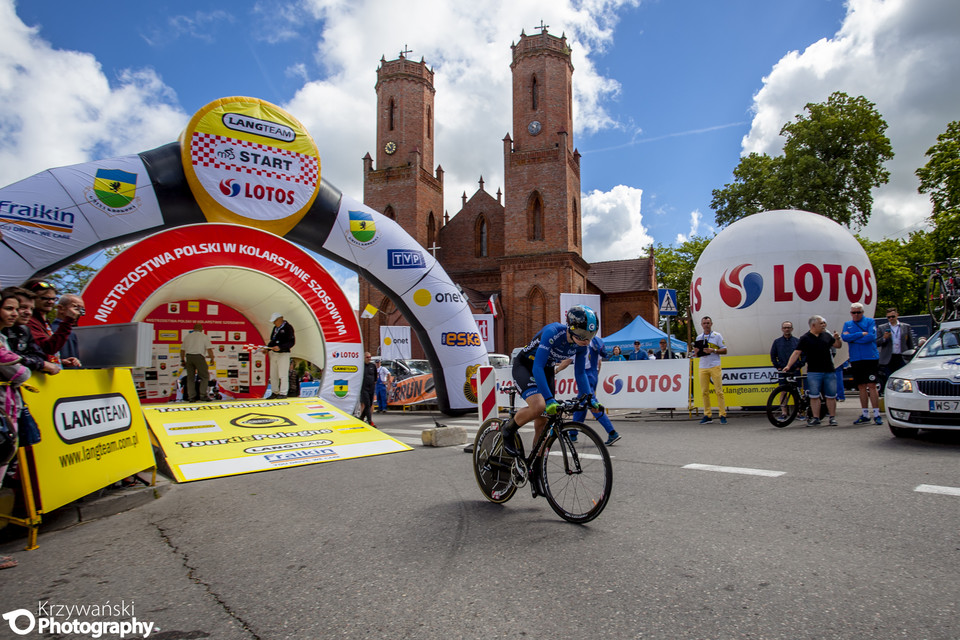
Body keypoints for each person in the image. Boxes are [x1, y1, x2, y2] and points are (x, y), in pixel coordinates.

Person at [499, 305, 602, 498]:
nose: (586, 339)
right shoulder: (553, 332)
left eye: (590, 334)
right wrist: (548, 399)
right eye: (581, 334)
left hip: (546, 369)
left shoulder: (582, 344)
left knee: (544, 421)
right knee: (539, 406)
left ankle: (535, 471)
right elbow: (537, 366)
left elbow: (580, 372)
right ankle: (508, 429)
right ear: (570, 327)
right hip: (527, 366)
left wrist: (589, 397)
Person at [782, 315, 842, 426]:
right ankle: (816, 418)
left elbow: (837, 346)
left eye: (824, 323)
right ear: (813, 325)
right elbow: (796, 352)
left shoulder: (827, 335)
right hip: (814, 371)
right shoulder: (805, 338)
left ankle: (832, 418)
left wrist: (837, 338)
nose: (823, 325)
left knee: (831, 395)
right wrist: (788, 366)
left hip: (829, 370)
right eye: (821, 323)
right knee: (814, 396)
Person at [568, 335, 621, 445]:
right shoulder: (596, 342)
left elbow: (567, 361)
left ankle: (612, 432)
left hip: (584, 375)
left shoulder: (580, 342)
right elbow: (599, 363)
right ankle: (573, 434)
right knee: (582, 403)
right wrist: (595, 376)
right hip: (593, 373)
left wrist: (557, 369)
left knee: (592, 404)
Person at [1, 287, 61, 377]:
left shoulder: (25, 330)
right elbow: (9, 359)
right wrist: (39, 364)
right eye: (23, 307)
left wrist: (34, 363)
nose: (28, 312)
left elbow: (38, 356)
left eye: (32, 309)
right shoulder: (4, 331)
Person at [842, 302, 882, 425]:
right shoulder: (847, 324)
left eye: (858, 312)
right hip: (855, 359)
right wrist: (860, 335)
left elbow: (870, 337)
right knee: (861, 387)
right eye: (854, 312)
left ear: (862, 312)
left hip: (870, 357)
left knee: (872, 385)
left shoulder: (869, 321)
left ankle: (876, 413)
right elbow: (845, 338)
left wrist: (854, 338)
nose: (856, 315)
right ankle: (865, 414)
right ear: (851, 313)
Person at [24, 280, 78, 363]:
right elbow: (49, 348)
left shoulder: (43, 321)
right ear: (30, 299)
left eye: (53, 299)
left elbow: (42, 352)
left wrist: (60, 361)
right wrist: (68, 320)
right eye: (44, 298)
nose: (51, 302)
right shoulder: (28, 321)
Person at [691, 316, 727, 424]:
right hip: (703, 366)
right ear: (701, 325)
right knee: (704, 392)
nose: (706, 325)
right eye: (704, 323)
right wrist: (696, 352)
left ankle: (722, 414)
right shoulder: (699, 337)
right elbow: (697, 355)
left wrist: (713, 350)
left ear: (711, 324)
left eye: (708, 323)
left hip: (715, 365)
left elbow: (725, 350)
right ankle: (707, 415)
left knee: (719, 391)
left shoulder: (717, 336)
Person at [877, 308, 915, 390]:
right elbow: (876, 342)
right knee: (889, 378)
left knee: (903, 378)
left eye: (893, 316)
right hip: (889, 358)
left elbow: (910, 343)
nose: (891, 319)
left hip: (902, 356)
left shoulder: (905, 326)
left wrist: (912, 355)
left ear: (897, 315)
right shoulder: (882, 327)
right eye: (888, 317)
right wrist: (884, 338)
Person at [180, 323, 215, 402]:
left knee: (190, 378)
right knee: (205, 376)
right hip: (199, 357)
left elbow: (182, 350)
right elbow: (209, 349)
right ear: (201, 329)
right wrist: (212, 358)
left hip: (189, 357)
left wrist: (182, 360)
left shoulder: (188, 336)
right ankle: (203, 395)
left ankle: (191, 397)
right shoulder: (203, 336)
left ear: (194, 328)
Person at [265, 312, 295, 399]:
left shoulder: (288, 328)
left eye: (275, 321)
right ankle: (274, 392)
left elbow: (291, 342)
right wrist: (267, 348)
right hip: (274, 353)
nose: (274, 323)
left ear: (280, 319)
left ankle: (283, 393)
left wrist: (280, 347)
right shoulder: (275, 328)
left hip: (283, 354)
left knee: (283, 374)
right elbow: (272, 340)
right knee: (273, 374)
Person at [50, 294, 85, 368]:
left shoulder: (73, 333)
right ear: (61, 308)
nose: (79, 313)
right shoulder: (53, 331)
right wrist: (61, 361)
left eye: (82, 310)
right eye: (76, 308)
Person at [358, 352, 377, 426]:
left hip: (371, 387)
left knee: (369, 404)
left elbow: (375, 376)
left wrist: (374, 382)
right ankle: (370, 421)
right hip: (364, 388)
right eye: (367, 357)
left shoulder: (373, 366)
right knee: (367, 404)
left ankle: (361, 418)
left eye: (370, 357)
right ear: (364, 357)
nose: (369, 359)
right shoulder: (361, 366)